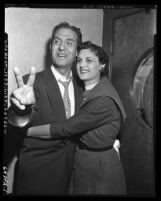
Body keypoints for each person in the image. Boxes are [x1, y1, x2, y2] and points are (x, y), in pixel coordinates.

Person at [24, 41, 127, 195]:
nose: (81, 65)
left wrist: (26, 131)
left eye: (89, 60)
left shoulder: (102, 100)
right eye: (79, 60)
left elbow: (66, 128)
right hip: (81, 160)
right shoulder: (90, 86)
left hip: (99, 166)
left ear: (102, 66)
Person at [7, 22, 84, 195]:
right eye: (57, 42)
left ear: (77, 51)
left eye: (69, 43)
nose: (62, 47)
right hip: (37, 178)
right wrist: (21, 110)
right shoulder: (31, 84)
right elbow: (15, 123)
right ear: (51, 47)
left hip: (71, 177)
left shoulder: (83, 86)